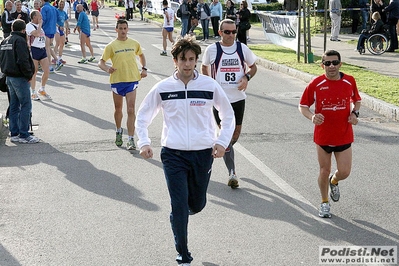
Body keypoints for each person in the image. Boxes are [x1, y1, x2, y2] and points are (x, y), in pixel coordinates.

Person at [135, 36, 235, 266]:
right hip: (173, 154)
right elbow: (142, 116)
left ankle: (183, 213)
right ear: (175, 61)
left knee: (197, 204)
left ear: (196, 60)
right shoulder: (164, 88)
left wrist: (222, 142)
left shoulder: (209, 86)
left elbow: (228, 115)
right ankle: (183, 255)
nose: (187, 64)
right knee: (178, 205)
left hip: (202, 154)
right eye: (183, 59)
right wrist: (144, 142)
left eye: (191, 59)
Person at [298, 50, 361, 218]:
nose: (331, 66)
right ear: (322, 65)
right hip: (323, 136)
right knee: (324, 170)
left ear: (340, 64)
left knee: (345, 172)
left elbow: (357, 101)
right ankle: (324, 202)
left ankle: (335, 181)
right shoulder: (316, 83)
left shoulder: (349, 81)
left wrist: (355, 114)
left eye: (334, 63)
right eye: (327, 63)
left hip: (343, 134)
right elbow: (303, 106)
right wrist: (312, 117)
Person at [201, 19, 257, 189]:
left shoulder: (241, 49)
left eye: (234, 32)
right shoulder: (212, 50)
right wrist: (211, 84)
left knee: (234, 136)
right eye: (227, 32)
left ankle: (220, 146)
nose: (231, 35)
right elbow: (204, 68)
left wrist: (246, 78)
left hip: (238, 98)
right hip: (220, 100)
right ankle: (232, 172)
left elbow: (253, 67)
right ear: (220, 33)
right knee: (226, 136)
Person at [98, 19, 147, 150]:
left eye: (125, 28)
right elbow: (101, 62)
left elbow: (141, 55)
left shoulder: (134, 43)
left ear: (128, 29)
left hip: (132, 79)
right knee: (118, 109)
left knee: (131, 109)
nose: (123, 31)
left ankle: (131, 139)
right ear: (116, 30)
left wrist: (144, 68)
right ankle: (118, 130)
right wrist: (107, 69)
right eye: (120, 28)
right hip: (117, 81)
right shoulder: (111, 46)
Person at [0, 19, 40, 143]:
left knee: (14, 105)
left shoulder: (5, 41)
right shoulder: (20, 41)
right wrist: (29, 75)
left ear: (12, 28)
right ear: (23, 30)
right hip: (19, 77)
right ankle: (24, 134)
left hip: (9, 77)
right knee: (26, 105)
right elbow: (23, 60)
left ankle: (15, 133)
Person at [27, 10, 52, 100]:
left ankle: (42, 89)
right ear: (34, 17)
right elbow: (37, 34)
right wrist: (40, 24)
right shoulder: (29, 26)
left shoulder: (39, 26)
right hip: (34, 49)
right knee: (34, 71)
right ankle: (33, 92)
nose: (41, 17)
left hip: (42, 49)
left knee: (46, 71)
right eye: (39, 16)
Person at [41, 0, 58, 72]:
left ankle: (49, 66)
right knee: (48, 47)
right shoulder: (53, 8)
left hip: (46, 29)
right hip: (52, 29)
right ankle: (57, 60)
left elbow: (43, 19)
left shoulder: (44, 8)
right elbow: (57, 18)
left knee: (47, 48)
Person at [54, 0, 69, 70]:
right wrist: (58, 26)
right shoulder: (56, 11)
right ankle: (54, 58)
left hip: (62, 29)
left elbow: (66, 21)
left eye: (62, 4)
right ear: (58, 4)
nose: (61, 6)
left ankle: (59, 58)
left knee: (62, 43)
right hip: (56, 28)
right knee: (57, 43)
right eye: (60, 4)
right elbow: (53, 21)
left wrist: (68, 28)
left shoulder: (64, 13)